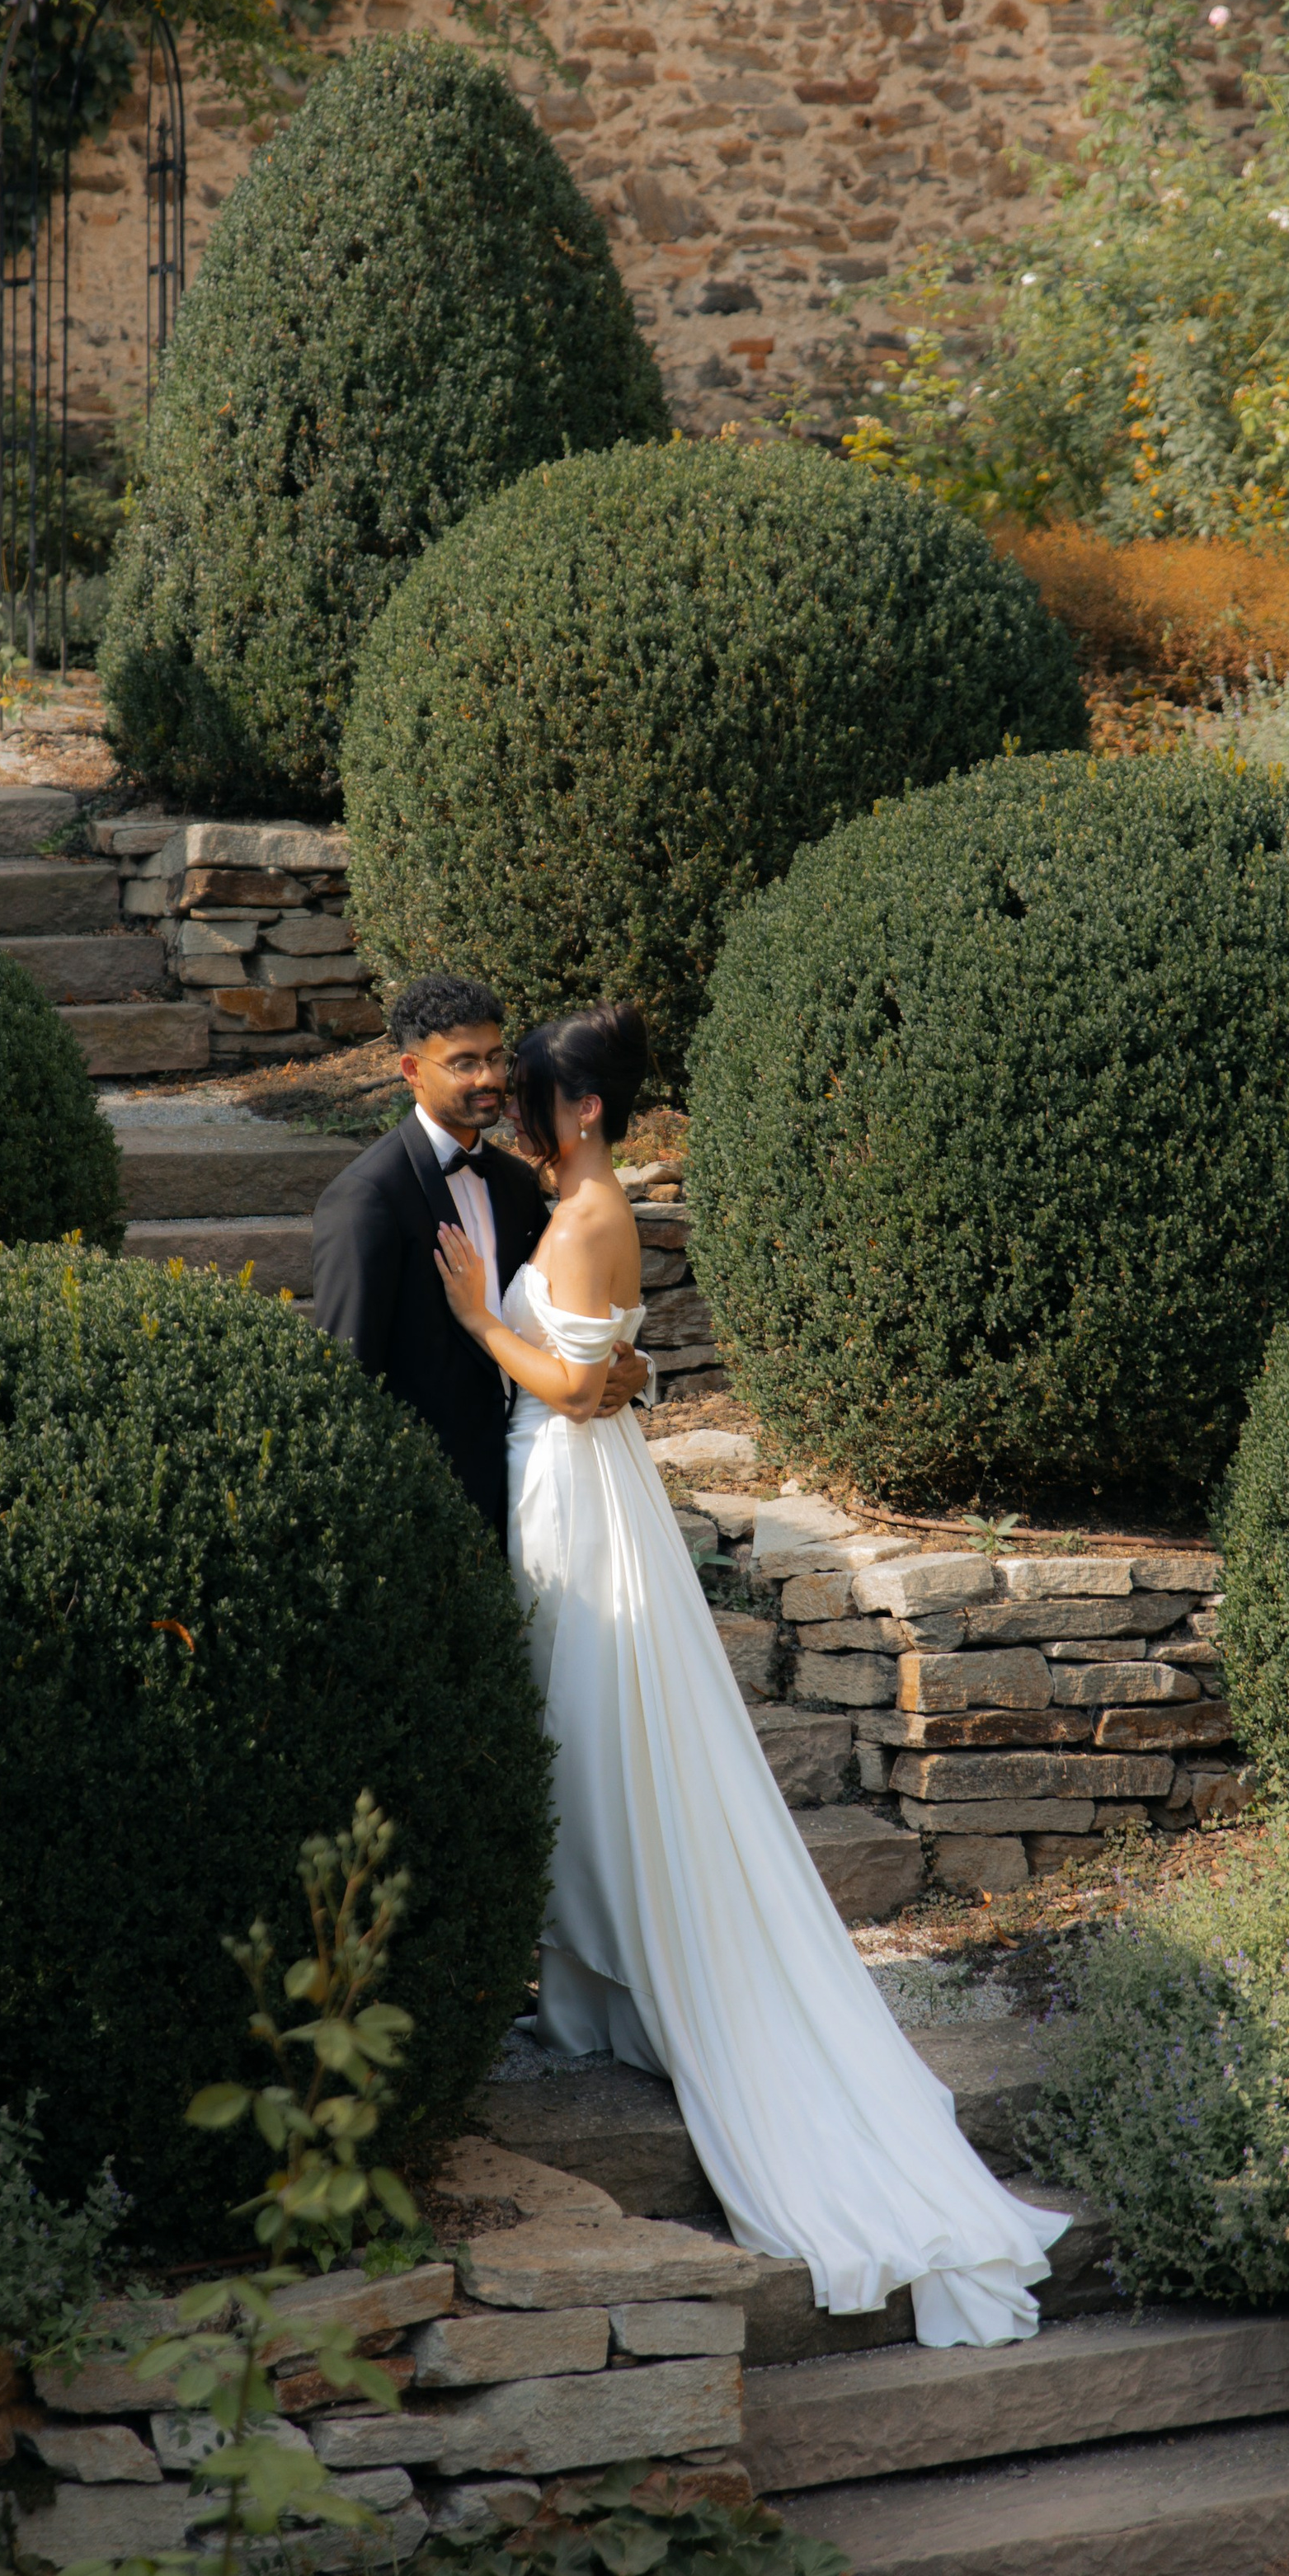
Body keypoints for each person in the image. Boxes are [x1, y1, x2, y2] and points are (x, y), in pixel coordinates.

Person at [430, 997, 1070, 2350]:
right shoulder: (578, 1204)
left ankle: (630, 1971)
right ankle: (596, 1979)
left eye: (533, 1096)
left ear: (584, 1110)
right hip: (573, 1482)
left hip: (576, 1492)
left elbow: (567, 1383)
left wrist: (485, 1320)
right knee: (585, 1743)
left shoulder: (595, 1215)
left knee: (599, 1738)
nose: (514, 1113)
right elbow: (616, 1376)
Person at [307, 976, 650, 1544]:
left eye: (496, 1058)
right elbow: (347, 1374)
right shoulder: (367, 1198)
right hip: (429, 1499)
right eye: (464, 1063)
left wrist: (631, 1363)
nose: (489, 1078)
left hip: (536, 1485)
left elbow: (564, 1310)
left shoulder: (518, 1181)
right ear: (413, 1071)